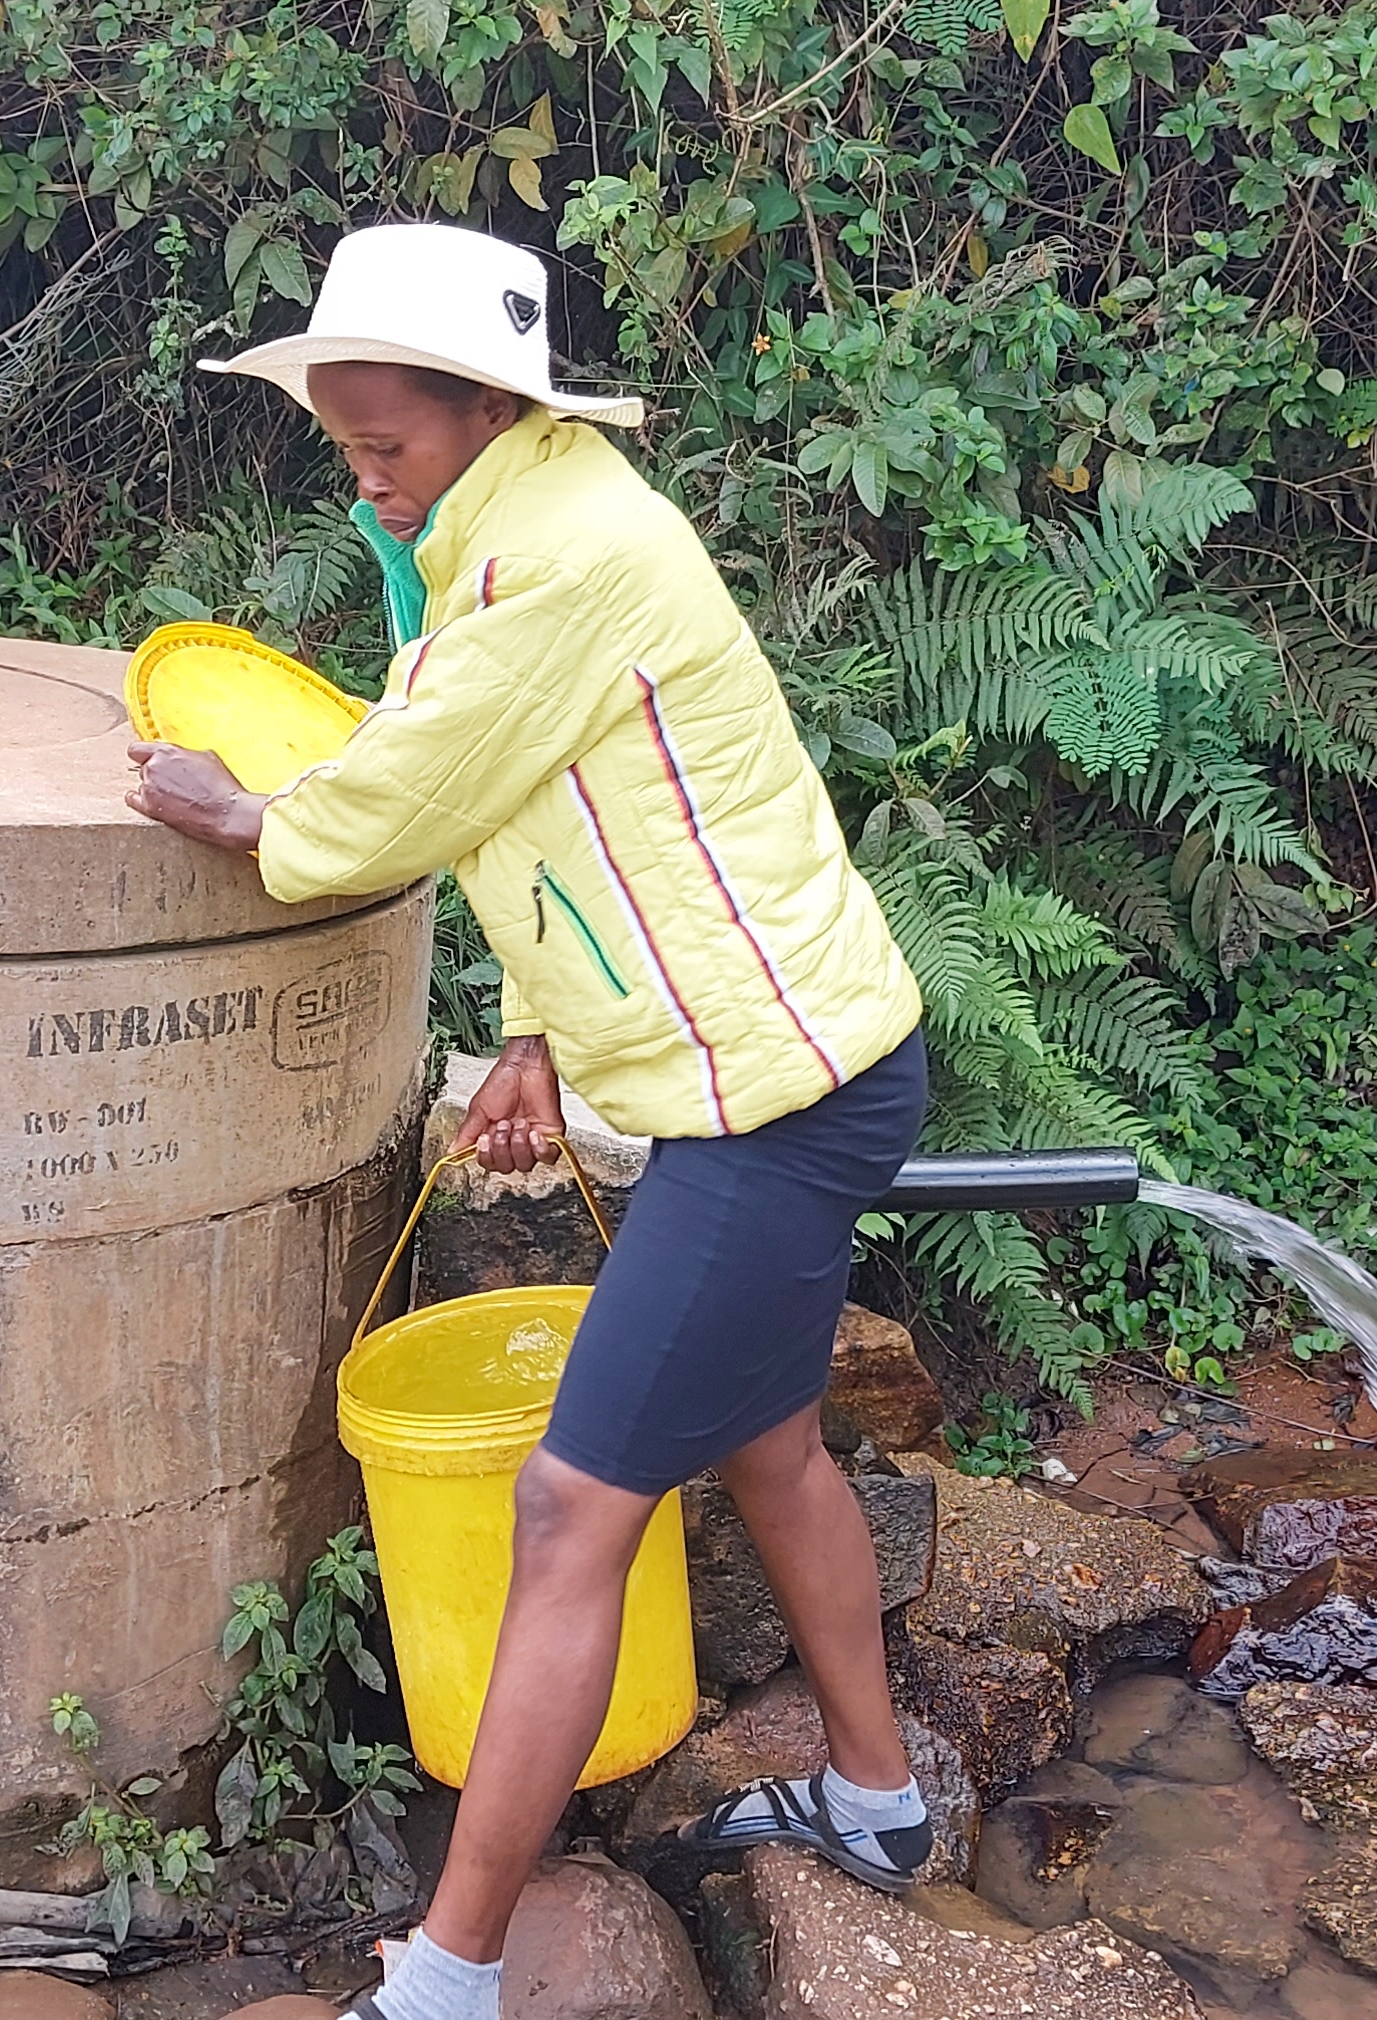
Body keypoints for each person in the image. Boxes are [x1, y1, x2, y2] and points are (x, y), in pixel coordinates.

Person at [127, 222, 933, 2020]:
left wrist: (251, 809)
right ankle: (880, 1805)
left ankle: (450, 1976)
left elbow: (413, 797)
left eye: (387, 446)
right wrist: (541, 1035)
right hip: (803, 1068)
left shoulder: (553, 561)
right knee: (776, 1449)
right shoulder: (521, 527)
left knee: (573, 1506)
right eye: (341, 445)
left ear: (491, 406)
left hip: (771, 1110)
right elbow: (568, 825)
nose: (368, 478)